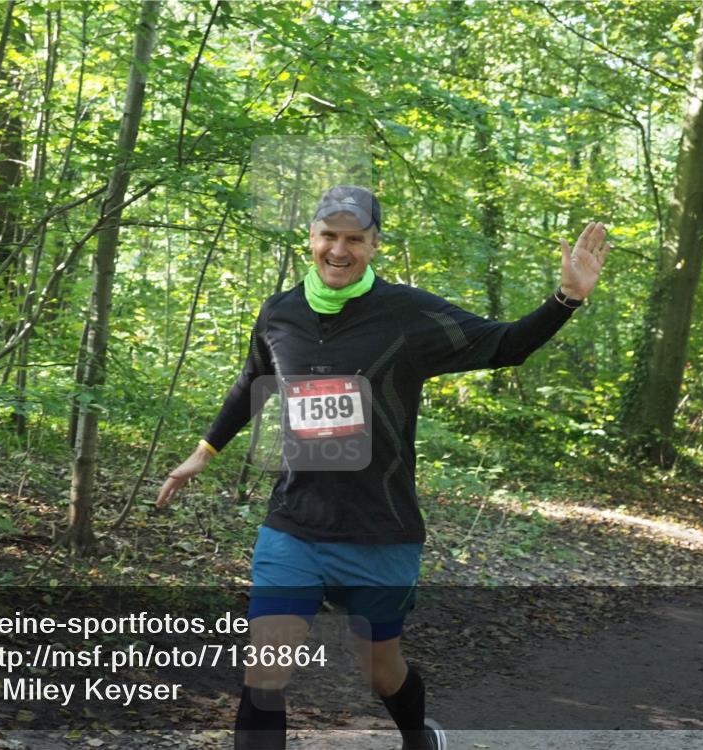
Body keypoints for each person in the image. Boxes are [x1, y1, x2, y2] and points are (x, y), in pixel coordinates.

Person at [157, 185, 611, 750]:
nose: (339, 251)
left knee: (380, 673)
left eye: (354, 239)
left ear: (374, 244)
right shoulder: (281, 313)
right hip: (294, 526)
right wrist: (203, 454)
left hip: (380, 531)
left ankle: (418, 737)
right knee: (265, 672)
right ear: (311, 239)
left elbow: (506, 344)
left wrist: (565, 299)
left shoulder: (408, 314)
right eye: (329, 236)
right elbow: (253, 382)